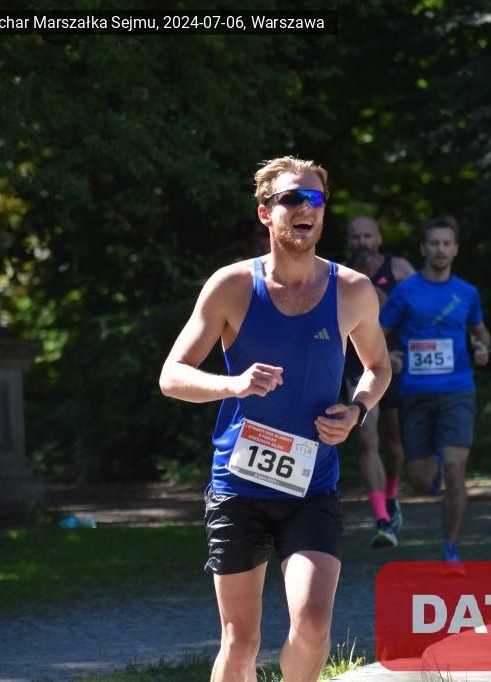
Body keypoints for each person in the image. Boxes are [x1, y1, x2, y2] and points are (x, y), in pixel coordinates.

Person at [159, 156, 390, 682]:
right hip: (239, 486)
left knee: (313, 625)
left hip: (312, 484)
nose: (306, 208)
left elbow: (378, 367)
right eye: (292, 198)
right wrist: (233, 385)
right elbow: (172, 376)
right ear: (266, 212)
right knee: (240, 641)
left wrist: (356, 410)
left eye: (316, 199)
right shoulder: (232, 286)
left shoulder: (352, 290)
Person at [379, 215, 491, 568]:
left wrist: (483, 348)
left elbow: (481, 332)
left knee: (457, 469)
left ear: (455, 249)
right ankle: (436, 465)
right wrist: (388, 357)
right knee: (422, 481)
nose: (441, 249)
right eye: (434, 243)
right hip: (415, 393)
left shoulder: (467, 293)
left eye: (447, 243)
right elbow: (377, 334)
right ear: (423, 249)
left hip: (457, 390)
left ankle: (450, 550)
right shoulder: (406, 292)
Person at [343, 216, 416, 548]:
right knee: (366, 439)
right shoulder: (338, 275)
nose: (362, 242)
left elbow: (422, 312)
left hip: (397, 365)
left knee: (395, 444)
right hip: (357, 368)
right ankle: (382, 520)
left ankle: (391, 496)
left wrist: (404, 351)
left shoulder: (399, 269)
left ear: (379, 238)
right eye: (356, 237)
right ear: (349, 241)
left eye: (367, 236)